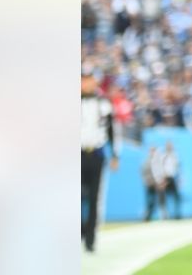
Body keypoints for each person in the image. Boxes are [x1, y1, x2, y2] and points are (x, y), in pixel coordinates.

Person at [81, 73, 118, 253]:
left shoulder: (103, 103)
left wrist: (115, 155)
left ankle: (90, 239)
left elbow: (112, 130)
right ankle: (80, 230)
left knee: (95, 198)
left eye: (90, 80)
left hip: (96, 154)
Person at [143, 146, 165, 221]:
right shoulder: (147, 162)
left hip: (158, 184)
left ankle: (162, 216)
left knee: (160, 201)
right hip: (150, 185)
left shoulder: (158, 161)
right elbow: (144, 173)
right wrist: (149, 181)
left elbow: (160, 172)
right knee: (150, 201)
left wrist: (161, 182)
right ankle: (147, 217)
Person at [161, 141, 182, 219]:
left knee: (176, 197)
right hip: (165, 177)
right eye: (168, 146)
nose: (170, 147)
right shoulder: (163, 155)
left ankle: (177, 214)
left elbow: (178, 167)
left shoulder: (175, 155)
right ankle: (165, 215)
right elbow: (161, 167)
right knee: (164, 197)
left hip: (173, 177)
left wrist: (178, 178)